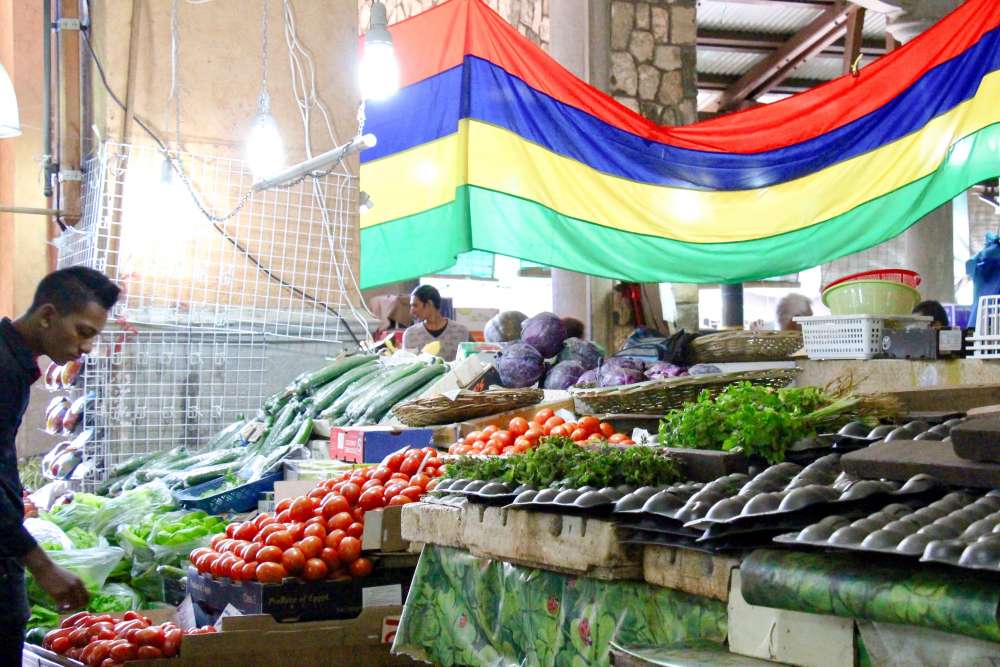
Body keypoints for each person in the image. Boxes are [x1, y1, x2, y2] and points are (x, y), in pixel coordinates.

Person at [1, 267, 120, 663]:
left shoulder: (13, 364)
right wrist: (40, 563)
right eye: (83, 332)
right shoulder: (2, 370)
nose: (85, 348)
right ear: (48, 315)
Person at [402, 285, 470, 361]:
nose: (411, 311)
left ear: (429, 304)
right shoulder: (411, 334)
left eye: (415, 305)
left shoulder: (460, 331)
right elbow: (407, 364)